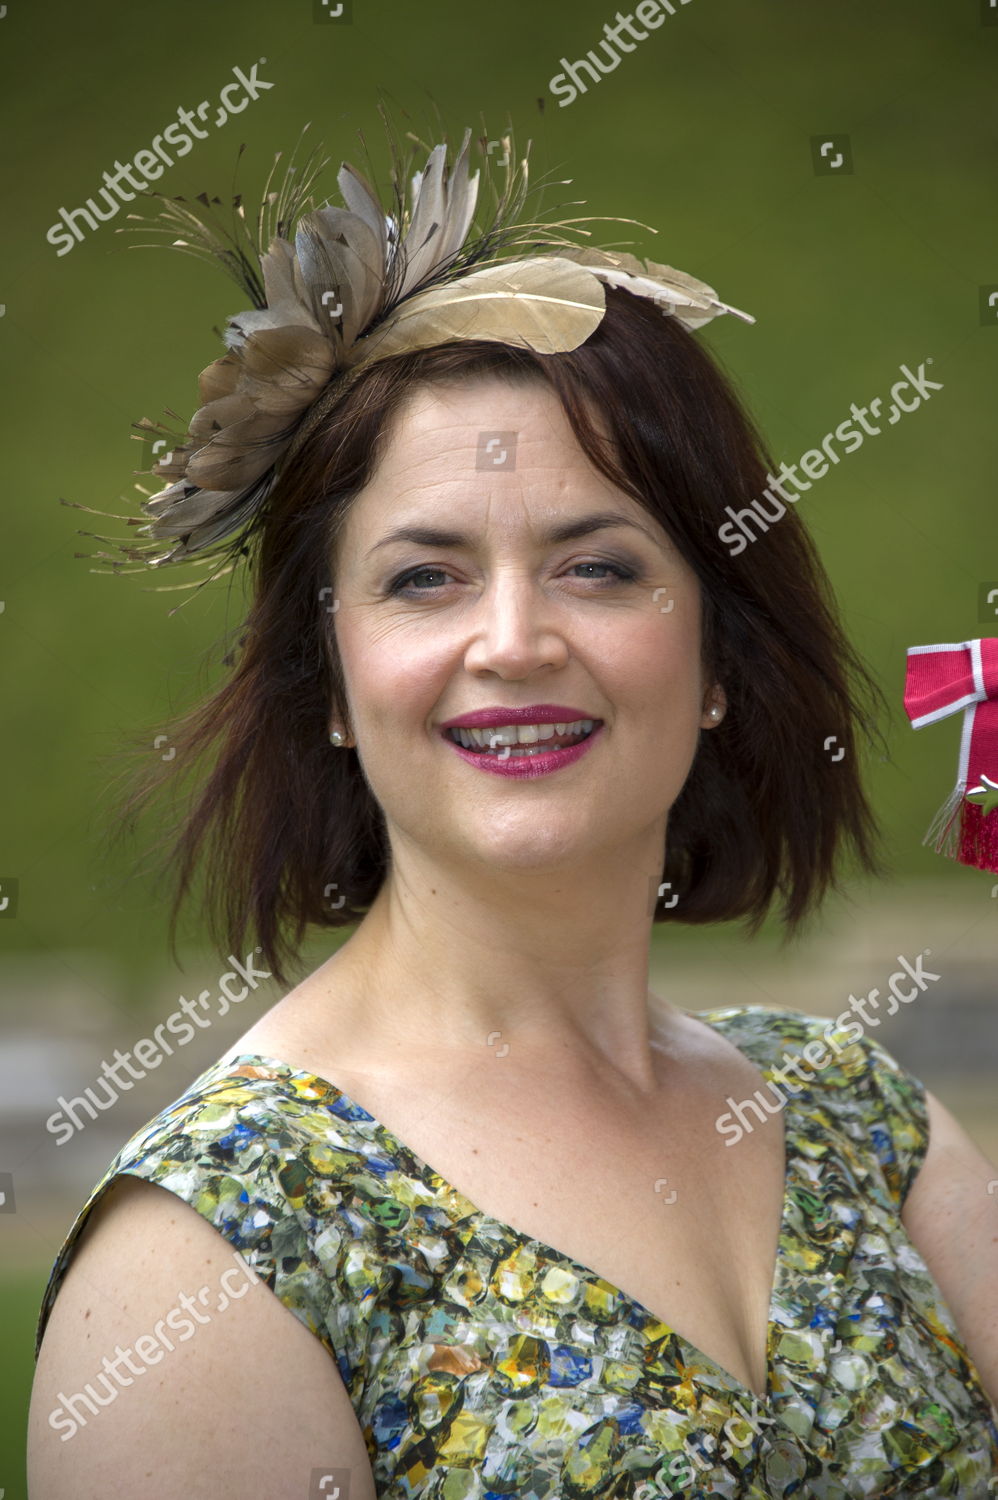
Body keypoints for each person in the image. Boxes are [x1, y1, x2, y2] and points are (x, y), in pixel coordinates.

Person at [28, 119, 998, 1498]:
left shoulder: (862, 1121)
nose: (514, 640)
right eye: (423, 578)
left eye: (597, 568)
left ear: (717, 657)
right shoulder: (223, 1246)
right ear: (327, 676)